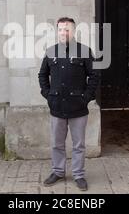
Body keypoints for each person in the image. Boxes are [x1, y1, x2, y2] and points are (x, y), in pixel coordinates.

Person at [38, 17, 100, 191]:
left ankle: (79, 175)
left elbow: (94, 76)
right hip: (56, 106)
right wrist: (47, 94)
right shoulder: (51, 51)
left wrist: (86, 97)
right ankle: (58, 172)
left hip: (78, 107)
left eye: (67, 29)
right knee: (57, 143)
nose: (63, 33)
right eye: (60, 29)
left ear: (73, 31)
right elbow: (42, 75)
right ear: (57, 31)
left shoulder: (85, 51)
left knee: (78, 145)